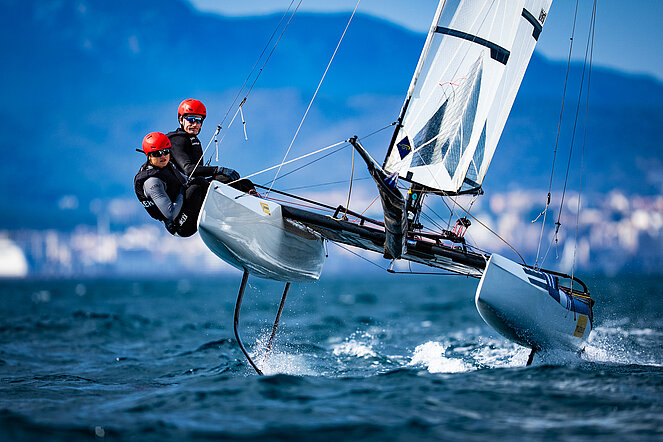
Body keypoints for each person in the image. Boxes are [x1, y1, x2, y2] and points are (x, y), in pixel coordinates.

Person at [134, 132, 209, 237]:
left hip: (183, 210)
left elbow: (187, 181)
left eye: (166, 151)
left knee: (205, 181)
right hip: (180, 226)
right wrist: (182, 192)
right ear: (149, 156)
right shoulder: (152, 182)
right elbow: (171, 213)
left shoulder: (167, 165)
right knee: (196, 187)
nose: (163, 156)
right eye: (157, 154)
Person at [167, 99, 250, 187]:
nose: (195, 124)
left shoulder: (192, 140)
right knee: (226, 179)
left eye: (198, 120)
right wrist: (219, 170)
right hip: (183, 189)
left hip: (196, 184)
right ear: (181, 120)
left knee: (245, 183)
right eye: (191, 119)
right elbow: (188, 169)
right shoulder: (176, 138)